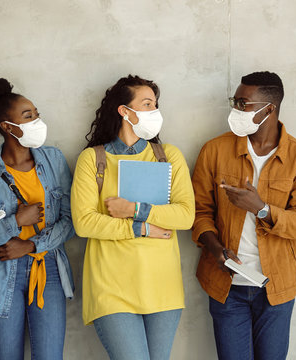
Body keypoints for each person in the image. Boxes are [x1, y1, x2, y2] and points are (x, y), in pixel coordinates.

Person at [191, 71, 296, 360]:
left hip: (276, 290)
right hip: (227, 287)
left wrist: (261, 208)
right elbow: (200, 213)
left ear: (269, 109)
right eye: (234, 101)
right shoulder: (214, 150)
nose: (235, 109)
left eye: (242, 103)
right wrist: (215, 250)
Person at [71, 75, 195, 360]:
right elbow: (84, 222)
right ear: (125, 111)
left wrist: (134, 210)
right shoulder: (92, 159)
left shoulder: (169, 156)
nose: (155, 111)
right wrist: (143, 229)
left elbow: (186, 215)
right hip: (111, 286)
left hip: (163, 286)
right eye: (147, 104)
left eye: (155, 104)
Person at [0, 76, 74, 360]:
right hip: (1, 270)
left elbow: (70, 220)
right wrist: (15, 222)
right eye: (28, 116)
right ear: (7, 127)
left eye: (36, 114)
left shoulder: (54, 159)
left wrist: (32, 245)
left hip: (48, 268)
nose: (37, 121)